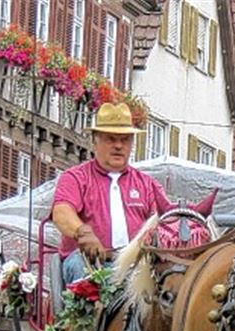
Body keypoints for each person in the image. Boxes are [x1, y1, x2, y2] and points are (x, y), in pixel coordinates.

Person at [51, 102, 175, 285]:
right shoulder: (75, 178)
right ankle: (86, 313)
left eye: (125, 140)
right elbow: (61, 212)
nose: (118, 146)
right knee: (80, 267)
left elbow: (165, 222)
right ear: (95, 140)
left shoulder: (148, 185)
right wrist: (84, 234)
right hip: (89, 261)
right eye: (111, 139)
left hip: (136, 266)